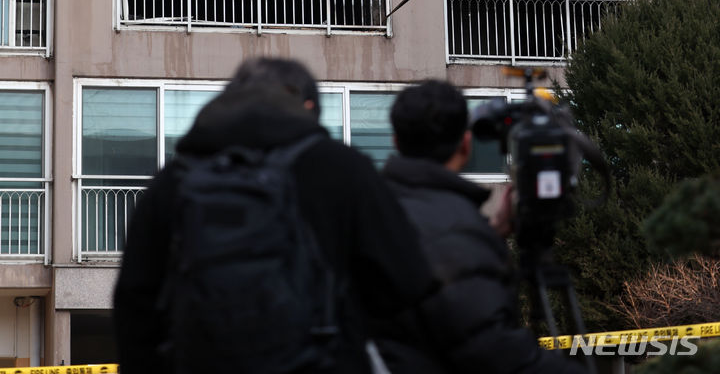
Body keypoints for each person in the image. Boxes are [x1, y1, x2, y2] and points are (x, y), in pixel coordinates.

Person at [113, 58, 437, 374]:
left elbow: (134, 304)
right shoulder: (342, 168)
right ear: (308, 107)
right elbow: (406, 282)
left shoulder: (174, 180)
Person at [375, 79, 583, 374]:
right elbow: (495, 352)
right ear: (466, 144)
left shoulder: (374, 206)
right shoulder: (457, 232)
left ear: (396, 141)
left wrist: (491, 231)